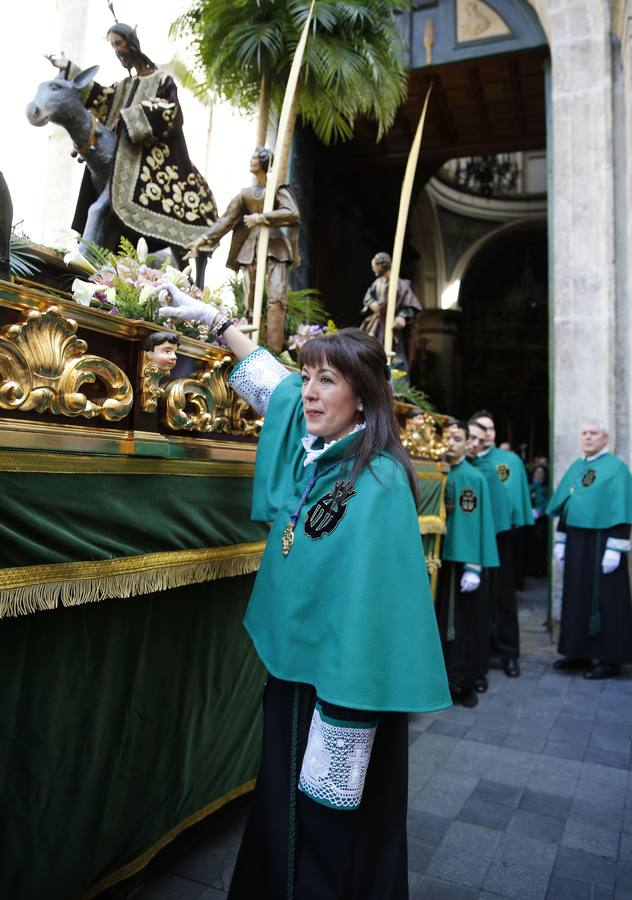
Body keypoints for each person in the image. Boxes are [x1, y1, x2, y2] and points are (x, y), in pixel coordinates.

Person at [158, 283, 450, 899]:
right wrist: (217, 322)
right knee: (288, 817)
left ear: (363, 395)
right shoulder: (328, 450)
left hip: (341, 695)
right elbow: (281, 393)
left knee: (325, 832)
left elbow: (373, 614)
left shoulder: (377, 481)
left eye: (327, 381)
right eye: (308, 376)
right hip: (300, 678)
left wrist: (344, 725)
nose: (310, 392)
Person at [46, 24, 217, 253]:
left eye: (119, 43)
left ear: (132, 42)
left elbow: (172, 111)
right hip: (117, 155)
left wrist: (131, 118)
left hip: (144, 155)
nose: (117, 50)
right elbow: (99, 97)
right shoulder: (123, 86)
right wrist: (69, 68)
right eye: (113, 46)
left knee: (102, 205)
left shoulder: (161, 80)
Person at [187, 147, 300, 353]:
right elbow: (226, 220)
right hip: (250, 251)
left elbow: (292, 213)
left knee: (276, 299)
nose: (252, 161)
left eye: (255, 158)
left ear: (264, 163)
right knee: (250, 303)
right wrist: (202, 240)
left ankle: (274, 351)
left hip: (275, 249)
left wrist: (262, 217)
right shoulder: (245, 194)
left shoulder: (277, 188)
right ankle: (252, 347)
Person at [547, 420, 632, 679]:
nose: (588, 437)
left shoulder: (617, 469)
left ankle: (610, 659)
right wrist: (561, 540)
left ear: (605, 438)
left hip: (602, 542)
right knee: (576, 595)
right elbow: (567, 504)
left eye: (593, 433)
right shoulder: (577, 466)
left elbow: (622, 508)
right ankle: (578, 652)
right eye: (584, 433)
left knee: (606, 599)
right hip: (576, 541)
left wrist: (616, 548)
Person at [437, 420, 499, 708]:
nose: (451, 443)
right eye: (447, 437)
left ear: (466, 444)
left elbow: (477, 523)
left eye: (457, 438)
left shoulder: (473, 478)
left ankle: (462, 681)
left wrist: (474, 566)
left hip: (460, 564)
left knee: (462, 625)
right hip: (434, 560)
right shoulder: (431, 472)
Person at [467, 418, 519, 678]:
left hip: (497, 537)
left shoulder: (491, 466)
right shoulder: (459, 463)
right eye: (477, 432)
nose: (482, 437)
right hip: (469, 540)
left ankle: (509, 653)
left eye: (488, 429)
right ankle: (479, 658)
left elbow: (501, 505)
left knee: (502, 596)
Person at [360, 252, 422, 379]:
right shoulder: (377, 283)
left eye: (374, 266)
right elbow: (368, 297)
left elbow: (411, 304)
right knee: (372, 350)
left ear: (381, 265)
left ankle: (398, 383)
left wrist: (402, 316)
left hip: (392, 325)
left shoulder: (400, 284)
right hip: (378, 324)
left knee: (395, 354)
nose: (373, 269)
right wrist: (371, 303)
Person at [526, 463, 549, 577]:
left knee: (540, 545)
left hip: (541, 521)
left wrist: (539, 511)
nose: (539, 475)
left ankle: (540, 569)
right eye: (537, 472)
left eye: (541, 473)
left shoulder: (546, 489)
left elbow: (549, 502)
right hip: (528, 521)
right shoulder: (528, 487)